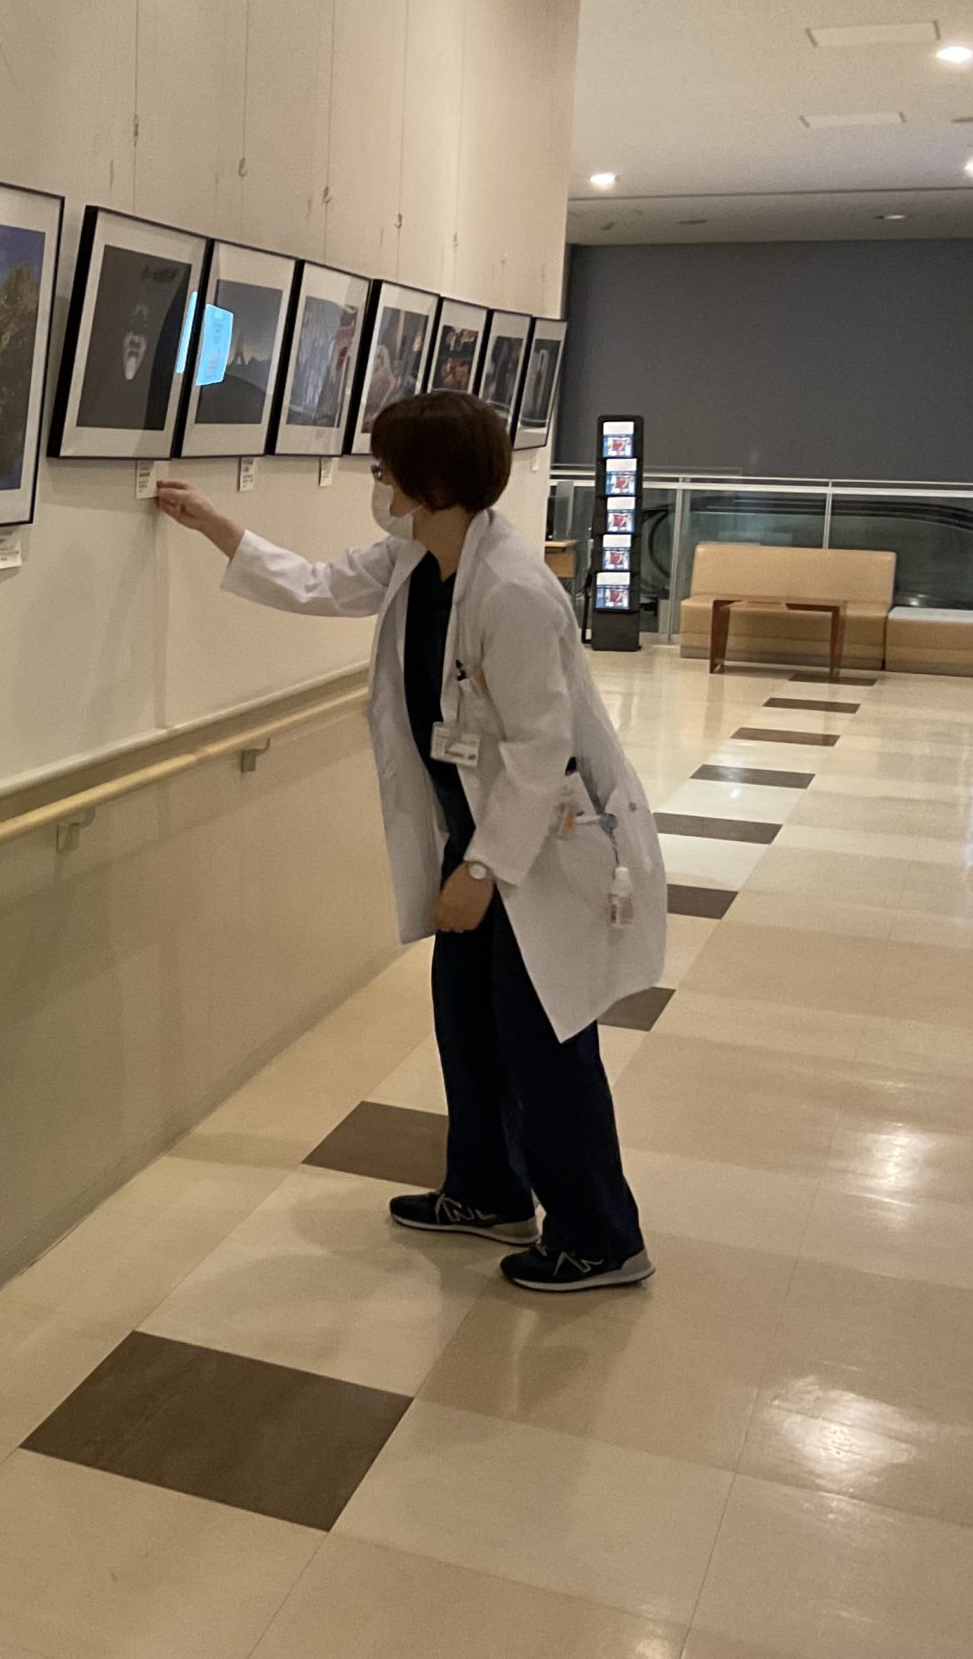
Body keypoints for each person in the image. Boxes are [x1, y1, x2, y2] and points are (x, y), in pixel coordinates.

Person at [155, 390, 663, 1291]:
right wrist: (214, 528)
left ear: (429, 481)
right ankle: (486, 1189)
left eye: (386, 467)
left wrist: (481, 868)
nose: (376, 481)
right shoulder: (417, 558)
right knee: (467, 1021)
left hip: (537, 844)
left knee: (544, 1037)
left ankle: (600, 1234)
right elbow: (318, 584)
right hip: (473, 831)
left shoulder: (511, 590)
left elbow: (543, 752)